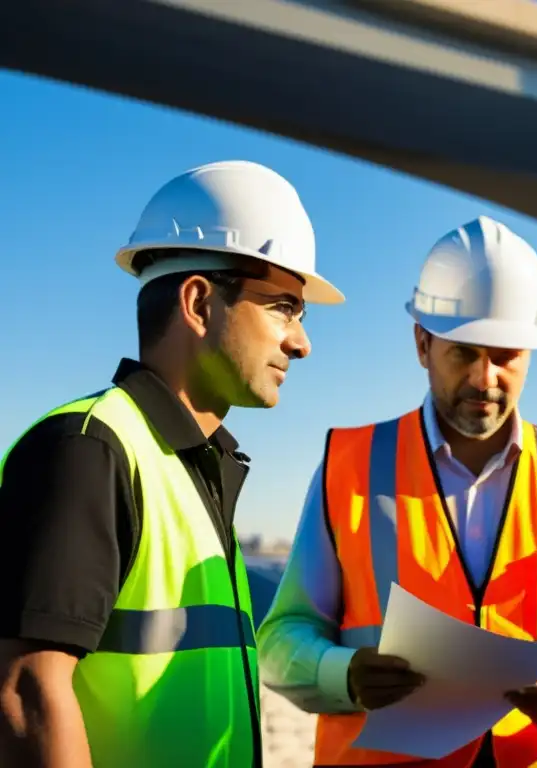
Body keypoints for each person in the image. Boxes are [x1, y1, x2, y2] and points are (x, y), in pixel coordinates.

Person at [257, 215, 537, 767]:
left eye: (506, 355)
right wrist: (342, 674)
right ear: (422, 343)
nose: (486, 377)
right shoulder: (351, 466)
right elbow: (282, 641)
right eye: (464, 352)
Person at [0, 160, 343, 768]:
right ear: (198, 302)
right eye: (283, 307)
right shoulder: (88, 449)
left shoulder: (196, 468)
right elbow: (27, 693)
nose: (301, 342)